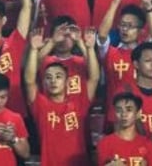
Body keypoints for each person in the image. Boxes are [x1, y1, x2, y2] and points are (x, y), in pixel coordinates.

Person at [25, 25, 100, 165]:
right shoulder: (41, 105)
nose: (53, 81)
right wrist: (34, 49)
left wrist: (89, 48)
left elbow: (94, 78)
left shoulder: (79, 102)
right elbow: (29, 81)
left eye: (58, 77)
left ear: (67, 82)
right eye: (48, 77)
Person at [96, 92, 152, 166]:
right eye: (119, 110)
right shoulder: (105, 143)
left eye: (129, 110)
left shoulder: (148, 145)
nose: (123, 114)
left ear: (138, 113)